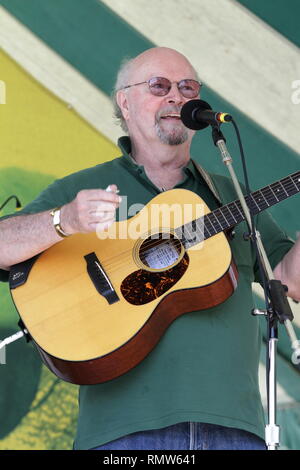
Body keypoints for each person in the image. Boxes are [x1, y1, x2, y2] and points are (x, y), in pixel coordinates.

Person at [0, 47, 299, 451]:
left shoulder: (231, 194)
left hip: (235, 426)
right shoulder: (83, 187)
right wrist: (63, 221)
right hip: (122, 433)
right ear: (125, 101)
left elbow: (290, 281)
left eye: (187, 87)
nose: (176, 97)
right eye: (159, 86)